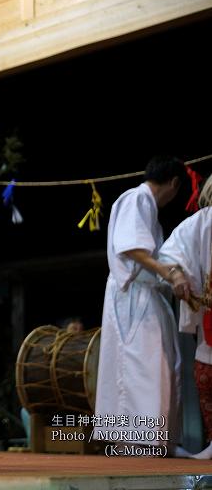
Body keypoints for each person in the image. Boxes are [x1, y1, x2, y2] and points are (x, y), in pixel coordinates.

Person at [93, 156, 188, 452]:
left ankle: (156, 441)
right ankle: (136, 443)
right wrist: (170, 273)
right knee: (140, 365)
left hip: (145, 293)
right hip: (132, 295)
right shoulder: (137, 198)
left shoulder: (143, 204)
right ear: (173, 183)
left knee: (158, 364)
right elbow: (131, 247)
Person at [159, 176, 212, 459]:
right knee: (206, 377)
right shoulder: (202, 223)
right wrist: (178, 274)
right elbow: (169, 252)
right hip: (210, 322)